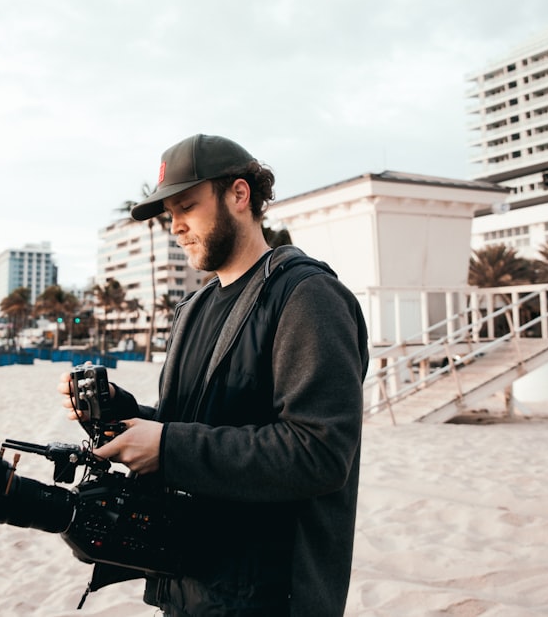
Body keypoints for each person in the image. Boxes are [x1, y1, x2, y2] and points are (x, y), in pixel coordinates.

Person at [58, 134, 369, 616]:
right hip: (187, 587)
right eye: (170, 215)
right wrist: (128, 415)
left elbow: (321, 454)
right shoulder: (194, 309)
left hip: (268, 596)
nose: (177, 226)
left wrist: (167, 446)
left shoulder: (306, 297)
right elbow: (195, 421)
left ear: (239, 195)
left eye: (187, 207)